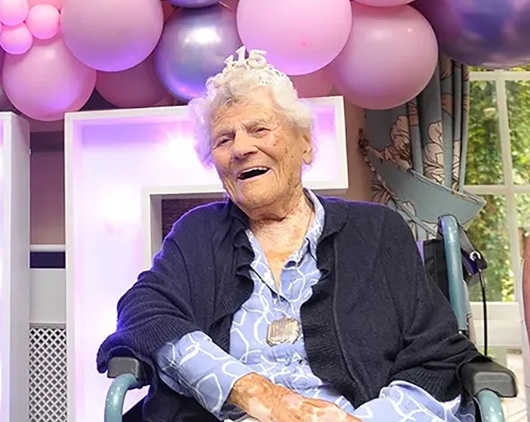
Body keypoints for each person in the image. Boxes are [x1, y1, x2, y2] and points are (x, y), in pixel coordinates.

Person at [97, 47, 482, 422]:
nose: (241, 148)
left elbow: (435, 356)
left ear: (306, 143)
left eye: (259, 129)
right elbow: (144, 311)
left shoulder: (379, 231)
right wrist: (252, 391)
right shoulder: (197, 233)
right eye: (223, 139)